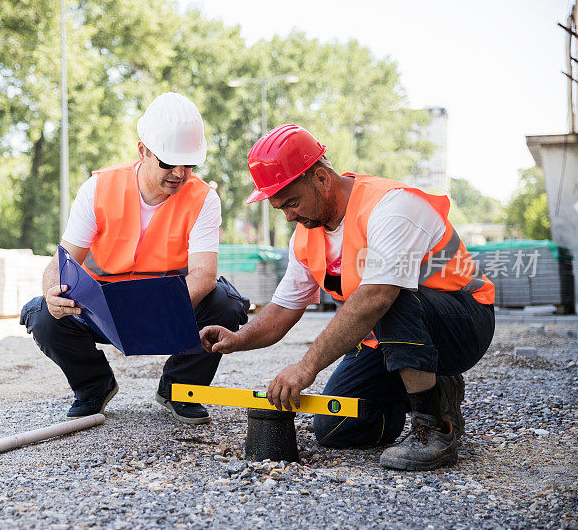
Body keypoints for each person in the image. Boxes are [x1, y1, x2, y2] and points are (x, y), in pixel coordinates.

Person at [200, 124, 495, 470]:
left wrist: (306, 367)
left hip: (463, 322)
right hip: (389, 335)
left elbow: (376, 297)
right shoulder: (306, 234)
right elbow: (284, 307)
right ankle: (428, 388)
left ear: (322, 179)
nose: (290, 216)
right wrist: (238, 339)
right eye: (282, 209)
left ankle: (433, 431)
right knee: (336, 427)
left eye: (292, 202)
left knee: (386, 295)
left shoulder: (390, 207)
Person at [21, 92, 249, 425]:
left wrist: (149, 308)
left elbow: (203, 276)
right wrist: (50, 290)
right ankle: (93, 388)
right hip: (105, 308)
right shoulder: (98, 187)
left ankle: (181, 389)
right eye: (169, 162)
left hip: (168, 305)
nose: (180, 173)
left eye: (189, 164)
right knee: (42, 313)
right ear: (142, 151)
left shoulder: (204, 199)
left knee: (226, 303)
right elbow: (62, 259)